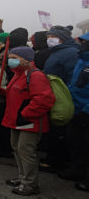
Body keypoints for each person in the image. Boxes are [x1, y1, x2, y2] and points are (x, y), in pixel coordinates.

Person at [0, 47, 55, 196]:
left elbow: (44, 100)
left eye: (14, 57)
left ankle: (30, 183)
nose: (11, 61)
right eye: (10, 57)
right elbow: (19, 93)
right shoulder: (18, 74)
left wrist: (25, 113)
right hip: (16, 119)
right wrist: (3, 92)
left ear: (26, 59)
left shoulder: (36, 76)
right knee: (16, 147)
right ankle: (22, 177)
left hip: (29, 121)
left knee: (26, 150)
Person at [41, 25, 79, 173]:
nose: (49, 40)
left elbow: (73, 76)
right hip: (54, 95)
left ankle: (57, 161)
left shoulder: (71, 53)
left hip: (63, 97)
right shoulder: (57, 51)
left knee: (59, 130)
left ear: (62, 38)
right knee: (55, 130)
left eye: (52, 37)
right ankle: (55, 158)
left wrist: (66, 94)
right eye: (48, 37)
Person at [66, 33, 89, 190]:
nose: (81, 44)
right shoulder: (81, 60)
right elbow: (74, 83)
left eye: (84, 42)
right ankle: (76, 170)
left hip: (86, 110)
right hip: (75, 107)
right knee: (76, 142)